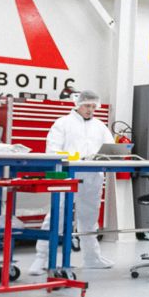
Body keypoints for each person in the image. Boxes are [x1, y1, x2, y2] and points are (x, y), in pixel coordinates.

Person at [30, 90, 114, 275]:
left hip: (92, 176)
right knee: (56, 215)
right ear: (78, 104)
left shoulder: (100, 126)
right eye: (87, 106)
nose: (90, 110)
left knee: (89, 218)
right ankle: (41, 258)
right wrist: (73, 157)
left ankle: (92, 257)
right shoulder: (63, 123)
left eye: (93, 106)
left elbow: (111, 149)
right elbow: (52, 150)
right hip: (65, 175)